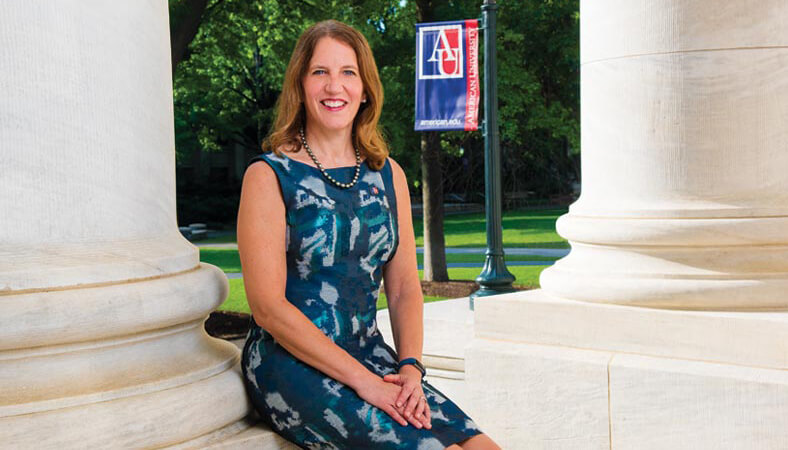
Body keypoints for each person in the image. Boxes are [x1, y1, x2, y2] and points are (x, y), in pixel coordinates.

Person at [237, 20, 500, 449]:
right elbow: (268, 309)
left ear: (365, 89)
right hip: (290, 362)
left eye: (348, 72)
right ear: (300, 85)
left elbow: (403, 291)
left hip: (371, 353)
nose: (333, 86)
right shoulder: (268, 176)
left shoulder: (388, 174)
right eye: (320, 72)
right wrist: (367, 384)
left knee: (481, 447)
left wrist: (411, 368)